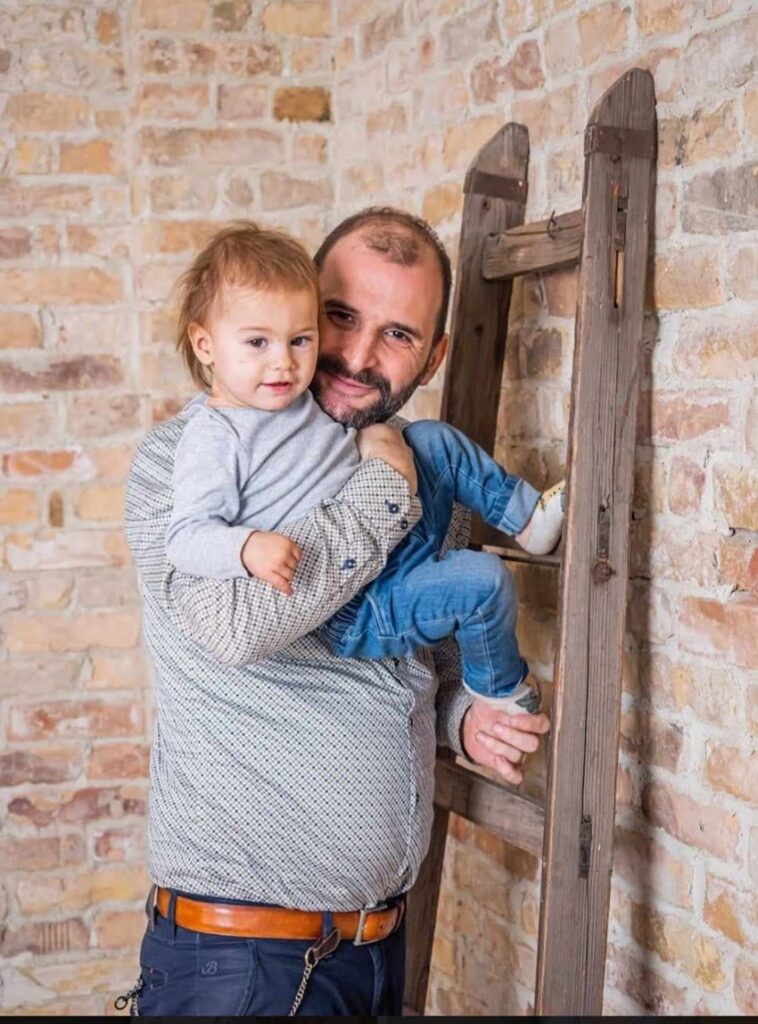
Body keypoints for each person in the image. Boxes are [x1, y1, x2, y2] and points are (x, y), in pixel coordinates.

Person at [122, 207, 551, 1016]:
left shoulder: (417, 469)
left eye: (398, 334)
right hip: (245, 964)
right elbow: (236, 628)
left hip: (377, 949)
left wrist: (463, 720)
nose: (355, 356)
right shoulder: (189, 460)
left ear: (433, 356)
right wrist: (383, 486)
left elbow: (416, 659)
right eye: (340, 317)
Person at [164, 222, 565, 711]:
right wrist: (245, 547)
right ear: (205, 344)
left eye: (299, 339)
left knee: (432, 439)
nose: (283, 363)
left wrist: (376, 436)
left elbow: (438, 650)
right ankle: (500, 687)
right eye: (257, 343)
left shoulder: (299, 397)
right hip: (352, 606)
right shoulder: (208, 440)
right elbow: (187, 541)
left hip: (394, 560)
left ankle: (529, 519)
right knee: (485, 580)